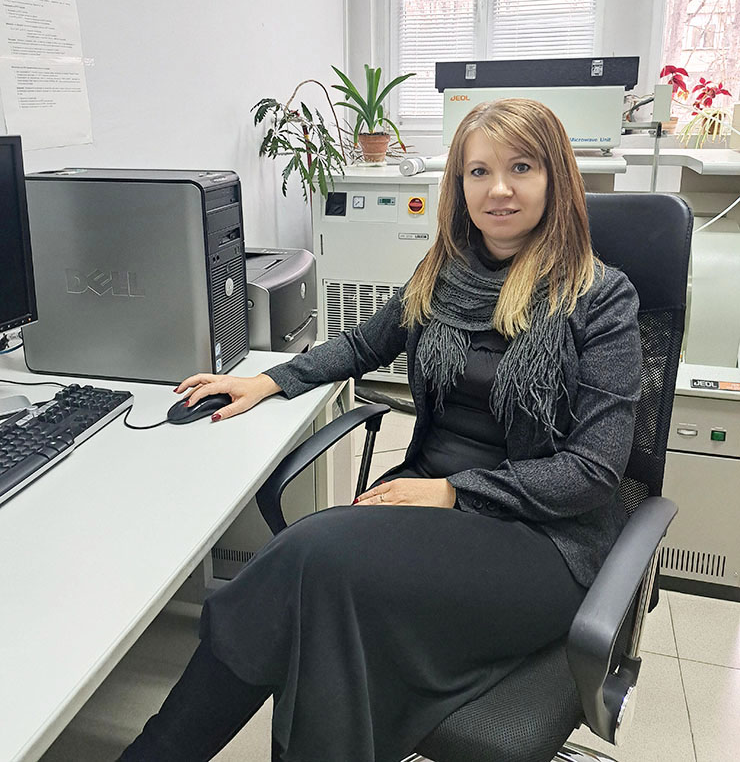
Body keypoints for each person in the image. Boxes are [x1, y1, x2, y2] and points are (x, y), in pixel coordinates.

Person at [120, 98, 641, 762]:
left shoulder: (601, 298)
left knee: (308, 562)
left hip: (542, 540)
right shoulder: (444, 274)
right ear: (459, 185)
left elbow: (594, 472)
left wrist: (455, 491)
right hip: (428, 504)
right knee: (316, 596)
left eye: (521, 168)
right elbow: (363, 344)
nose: (499, 189)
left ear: (556, 177)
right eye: (479, 171)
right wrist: (270, 380)